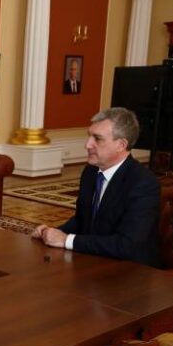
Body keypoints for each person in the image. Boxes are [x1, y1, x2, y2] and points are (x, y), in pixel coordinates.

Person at [32, 107, 160, 267]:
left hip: (132, 270)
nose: (87, 144)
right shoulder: (91, 172)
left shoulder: (143, 183)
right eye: (89, 136)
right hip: (95, 260)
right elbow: (82, 220)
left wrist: (67, 240)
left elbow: (127, 245)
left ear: (121, 145)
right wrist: (51, 232)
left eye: (97, 139)